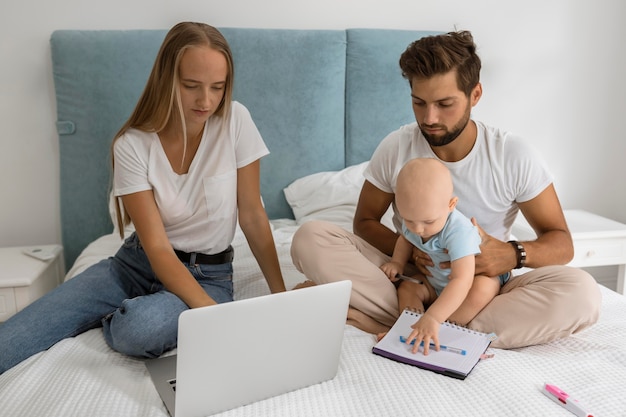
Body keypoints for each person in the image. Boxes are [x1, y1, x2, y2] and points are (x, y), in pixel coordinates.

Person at [0, 22, 286, 374]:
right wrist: (214, 316)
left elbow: (254, 215)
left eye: (218, 87)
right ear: (167, 79)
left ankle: (125, 314)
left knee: (138, 330)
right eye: (191, 86)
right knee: (13, 338)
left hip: (208, 276)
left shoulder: (236, 120)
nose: (206, 101)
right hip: (134, 266)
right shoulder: (132, 145)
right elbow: (158, 249)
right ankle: (125, 305)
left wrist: (282, 297)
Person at [290, 30, 601, 349]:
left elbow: (562, 244)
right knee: (310, 238)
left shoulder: (511, 154)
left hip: (483, 286)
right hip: (414, 278)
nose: (430, 118)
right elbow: (365, 222)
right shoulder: (396, 147)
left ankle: (410, 325)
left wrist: (511, 254)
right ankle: (445, 332)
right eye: (419, 103)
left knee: (583, 294)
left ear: (475, 95)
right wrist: (412, 251)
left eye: (445, 104)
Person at [380, 158, 505, 354]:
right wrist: (397, 262)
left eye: (428, 221)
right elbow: (405, 238)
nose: (418, 229)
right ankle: (410, 329)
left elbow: (462, 280)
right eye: (409, 220)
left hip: (467, 283)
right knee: (407, 287)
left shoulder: (459, 232)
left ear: (451, 204)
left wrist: (435, 317)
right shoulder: (414, 218)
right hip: (434, 281)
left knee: (483, 287)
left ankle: (442, 327)